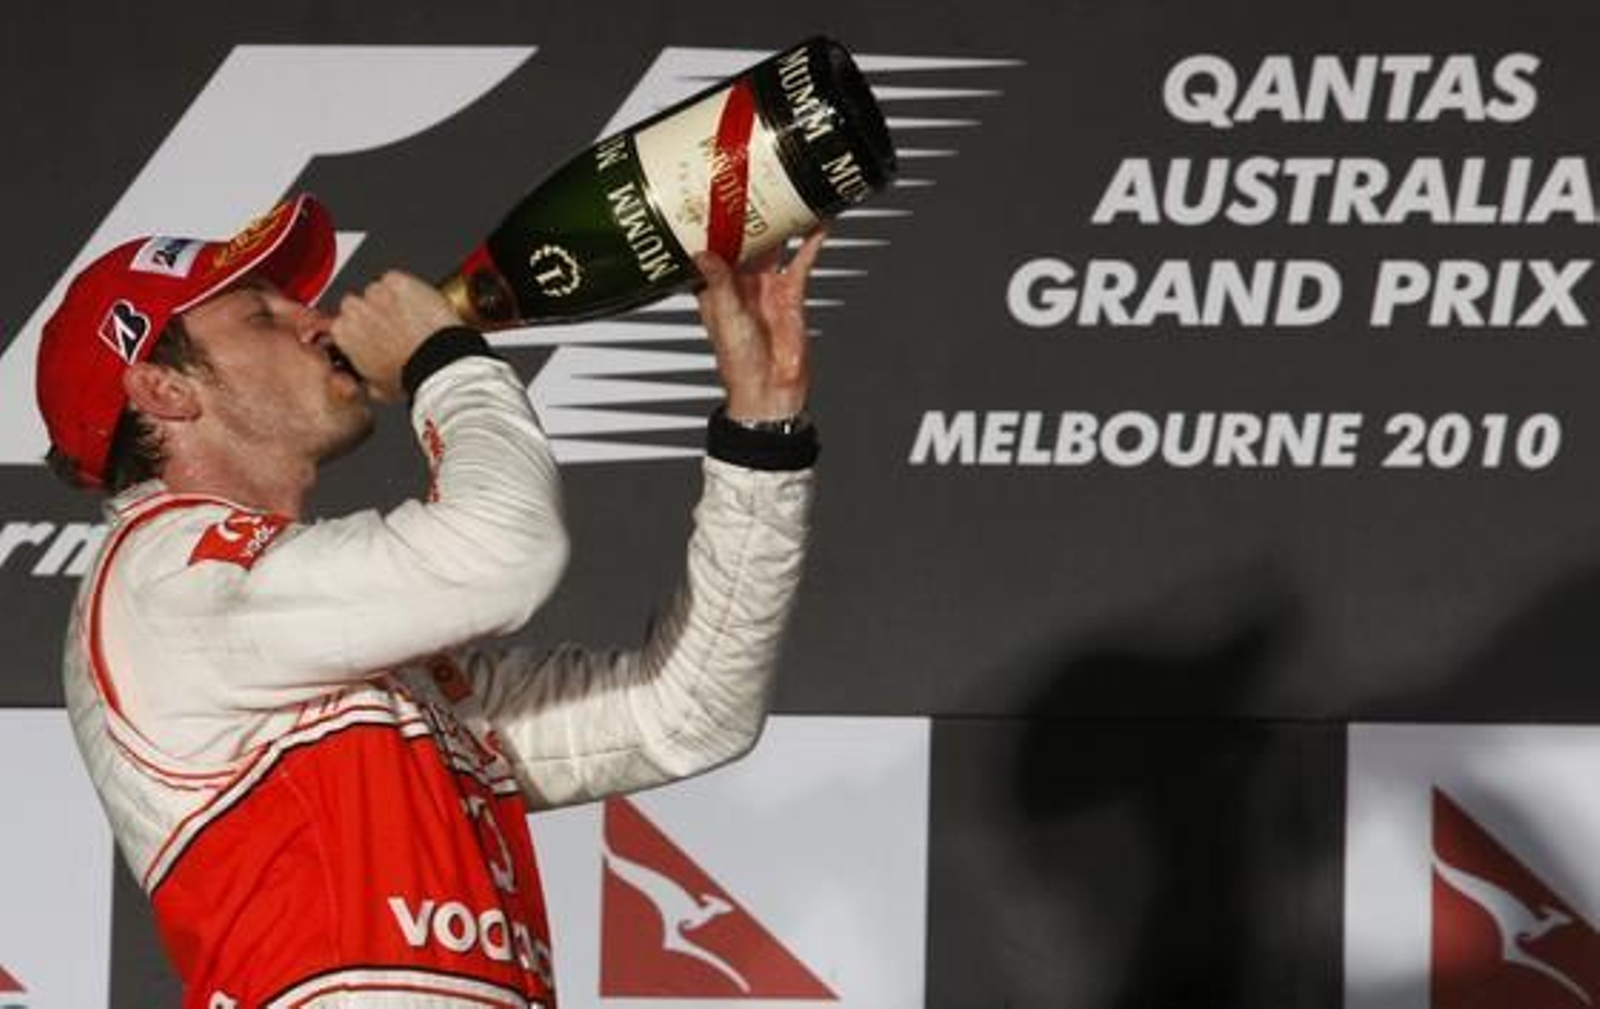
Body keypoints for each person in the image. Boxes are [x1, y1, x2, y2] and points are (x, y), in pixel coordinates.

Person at [36, 193, 823, 1008]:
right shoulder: (165, 577)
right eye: (262, 316)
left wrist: (761, 436)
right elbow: (503, 550)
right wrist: (442, 357)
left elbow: (684, 712)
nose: (317, 321)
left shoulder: (337, 654)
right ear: (163, 389)